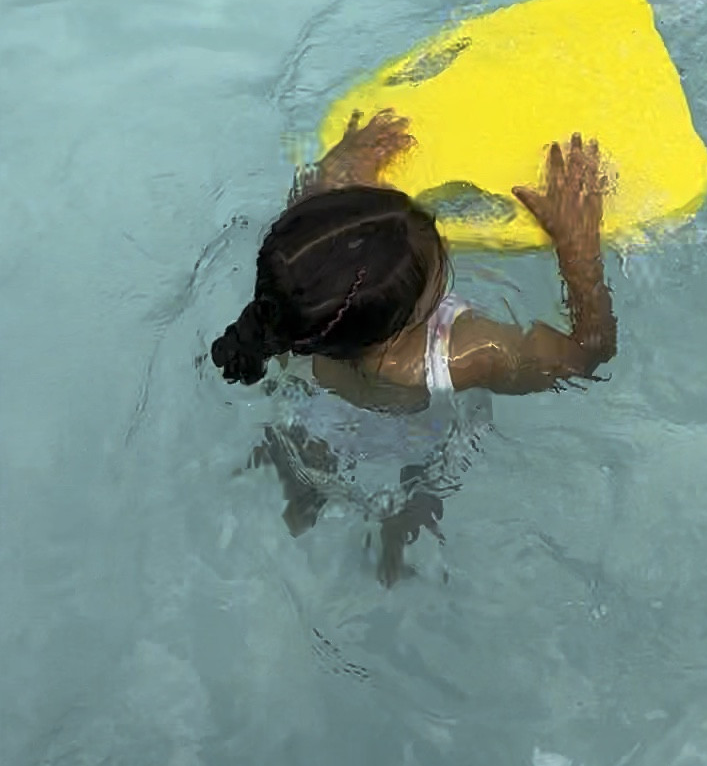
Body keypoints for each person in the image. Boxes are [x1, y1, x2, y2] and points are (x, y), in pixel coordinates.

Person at [212, 112, 616, 580]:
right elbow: (587, 354)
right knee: (421, 485)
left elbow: (310, 217)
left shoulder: (292, 299)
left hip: (311, 414)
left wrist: (339, 169)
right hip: (414, 435)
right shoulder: (467, 353)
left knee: (306, 459)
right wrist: (579, 253)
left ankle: (303, 498)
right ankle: (398, 538)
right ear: (411, 315)